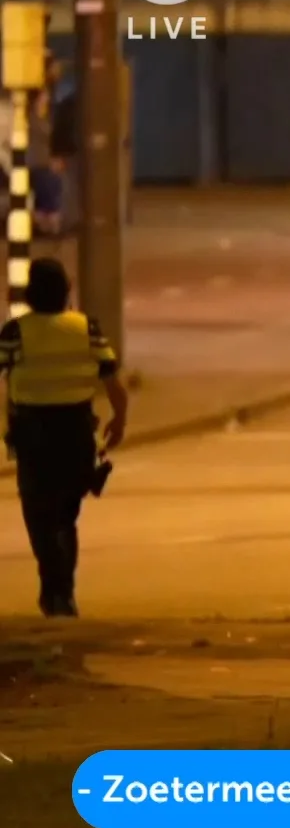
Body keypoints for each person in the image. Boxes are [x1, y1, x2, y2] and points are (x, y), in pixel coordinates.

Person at [0, 259, 127, 616]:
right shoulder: (86, 328)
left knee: (39, 517)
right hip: (76, 435)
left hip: (33, 435)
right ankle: (63, 592)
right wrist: (120, 420)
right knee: (65, 518)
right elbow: (114, 384)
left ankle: (53, 588)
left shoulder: (15, 332)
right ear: (67, 291)